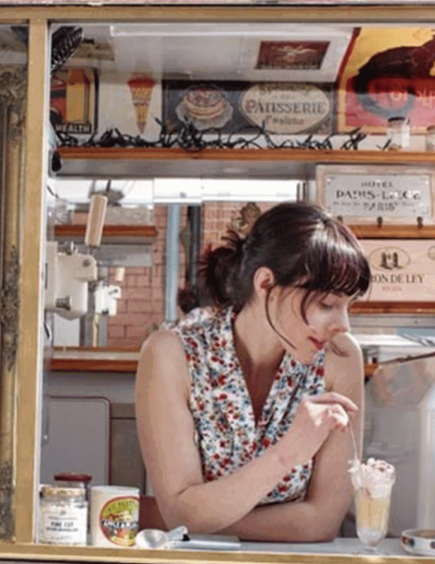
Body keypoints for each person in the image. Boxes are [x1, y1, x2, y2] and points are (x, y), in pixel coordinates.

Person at [135, 202, 371, 542]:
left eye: (349, 306)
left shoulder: (340, 357)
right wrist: (287, 454)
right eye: (327, 305)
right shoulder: (171, 354)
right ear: (265, 285)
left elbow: (322, 523)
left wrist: (190, 517)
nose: (343, 324)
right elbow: (182, 514)